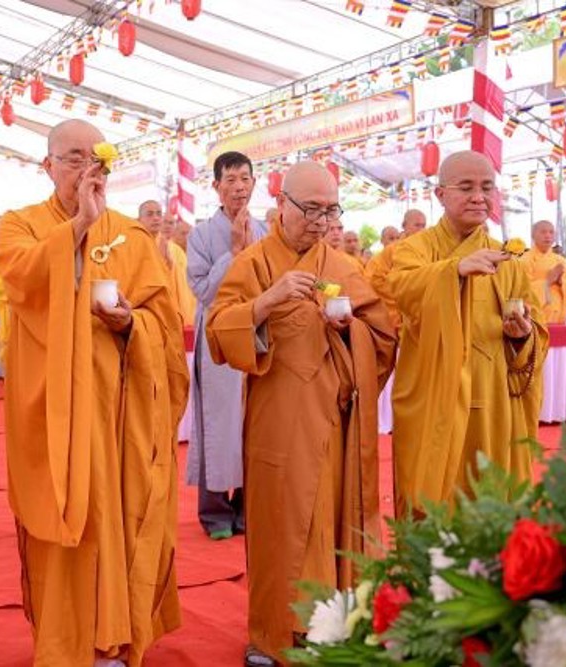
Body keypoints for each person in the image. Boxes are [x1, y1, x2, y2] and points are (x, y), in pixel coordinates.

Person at [0, 119, 188, 666]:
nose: (85, 170)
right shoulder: (21, 225)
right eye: (72, 158)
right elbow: (22, 280)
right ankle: (66, 641)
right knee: (68, 518)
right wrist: (79, 224)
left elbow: (163, 320)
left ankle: (116, 639)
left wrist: (131, 324)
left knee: (119, 512)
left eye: (93, 160)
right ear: (48, 166)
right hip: (55, 409)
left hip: (122, 407)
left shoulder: (133, 234)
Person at [207, 161, 396, 665]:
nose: (321, 221)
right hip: (278, 422)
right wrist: (265, 303)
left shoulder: (344, 266)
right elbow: (218, 333)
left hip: (336, 423)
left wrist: (350, 330)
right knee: (280, 525)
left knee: (335, 521)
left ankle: (337, 626)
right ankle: (274, 634)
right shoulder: (253, 263)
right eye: (311, 209)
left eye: (330, 211)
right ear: (281, 204)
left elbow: (383, 337)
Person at [388, 151, 549, 511]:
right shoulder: (415, 249)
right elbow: (402, 288)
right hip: (435, 395)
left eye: (487, 188)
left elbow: (536, 328)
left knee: (489, 496)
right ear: (440, 194)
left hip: (493, 397)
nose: (479, 197)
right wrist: (455, 270)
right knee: (432, 499)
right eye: (466, 187)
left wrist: (522, 335)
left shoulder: (507, 258)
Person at [186, 151, 268, 540]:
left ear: (254, 183)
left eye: (245, 179)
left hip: (257, 333)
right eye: (230, 180)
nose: (239, 187)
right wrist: (233, 254)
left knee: (257, 420)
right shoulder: (201, 235)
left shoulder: (267, 231)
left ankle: (248, 508)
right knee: (218, 423)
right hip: (218, 337)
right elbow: (203, 289)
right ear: (216, 186)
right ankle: (215, 512)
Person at [365, 209, 427, 331]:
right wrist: (402, 295)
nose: (421, 230)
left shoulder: (426, 249)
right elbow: (377, 279)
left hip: (420, 309)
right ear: (404, 226)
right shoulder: (392, 250)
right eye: (417, 225)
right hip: (396, 309)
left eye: (423, 226)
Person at [138, 201, 195, 323]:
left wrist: (170, 266)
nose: (156, 218)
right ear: (139, 220)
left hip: (175, 309)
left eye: (159, 214)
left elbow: (186, 286)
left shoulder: (175, 250)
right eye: (150, 214)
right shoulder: (134, 247)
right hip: (146, 311)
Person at [521, 220, 566, 324]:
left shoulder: (561, 261)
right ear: (533, 235)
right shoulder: (525, 260)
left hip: (562, 318)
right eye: (543, 232)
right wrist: (547, 281)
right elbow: (520, 291)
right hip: (536, 319)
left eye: (551, 232)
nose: (548, 236)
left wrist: (562, 282)